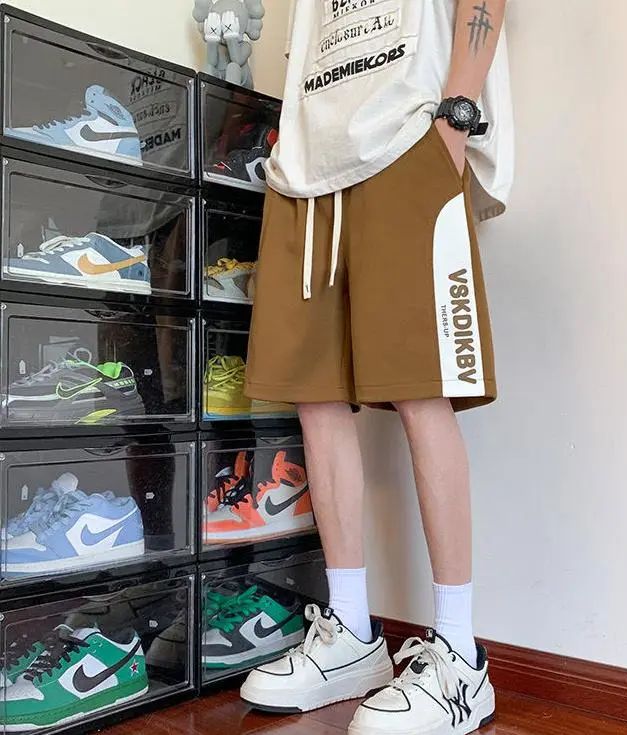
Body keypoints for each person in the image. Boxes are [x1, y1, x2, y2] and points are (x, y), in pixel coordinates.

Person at [241, 0, 514, 732]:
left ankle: (459, 657)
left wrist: (456, 116)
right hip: (305, 167)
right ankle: (351, 635)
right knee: (314, 395)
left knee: (421, 391)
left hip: (406, 134)